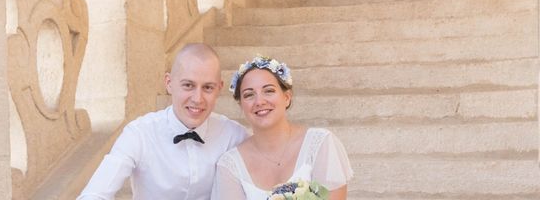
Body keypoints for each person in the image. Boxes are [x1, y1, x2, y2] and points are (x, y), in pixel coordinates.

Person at [78, 43, 248, 200]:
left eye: (208, 88)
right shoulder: (139, 134)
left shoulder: (234, 135)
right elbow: (95, 193)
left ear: (219, 88)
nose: (198, 98)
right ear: (169, 83)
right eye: (188, 85)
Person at [211, 55, 353, 200]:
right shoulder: (230, 165)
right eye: (249, 95)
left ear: (287, 97)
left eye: (269, 91)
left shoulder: (320, 144)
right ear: (241, 105)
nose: (259, 101)